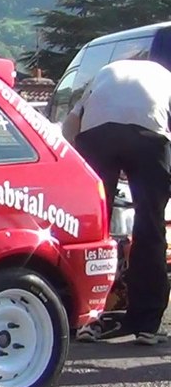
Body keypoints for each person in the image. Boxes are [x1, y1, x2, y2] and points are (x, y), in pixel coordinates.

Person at [64, 58, 171, 345]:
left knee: (91, 227)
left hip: (96, 135)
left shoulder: (104, 73)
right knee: (150, 226)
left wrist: (80, 168)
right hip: (150, 134)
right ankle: (147, 325)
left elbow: (70, 126)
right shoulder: (164, 79)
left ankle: (84, 318)